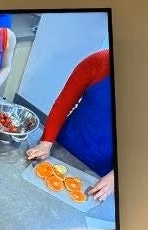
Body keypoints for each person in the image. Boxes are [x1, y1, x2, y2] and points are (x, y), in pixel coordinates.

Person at [26, 49, 115, 201]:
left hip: (102, 171)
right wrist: (46, 142)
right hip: (63, 147)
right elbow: (63, 105)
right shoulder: (100, 61)